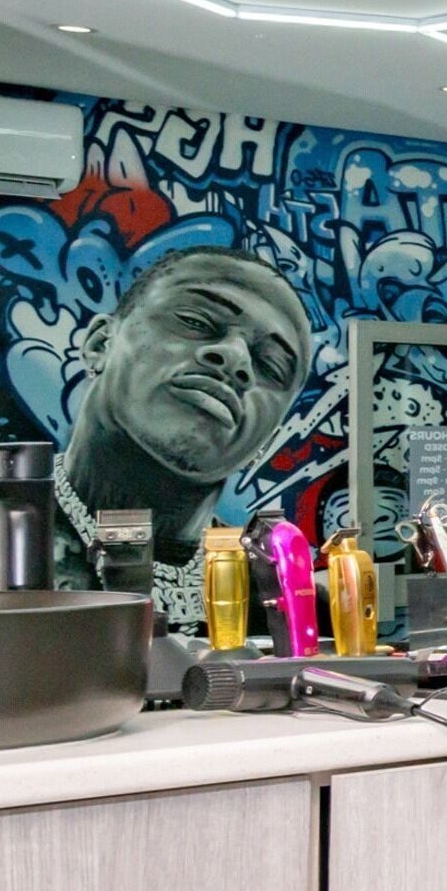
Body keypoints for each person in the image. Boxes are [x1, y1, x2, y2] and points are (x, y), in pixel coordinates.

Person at [30, 248, 314, 624]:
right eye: (195, 321)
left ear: (269, 435)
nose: (236, 358)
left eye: (271, 365)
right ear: (100, 344)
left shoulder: (277, 602)